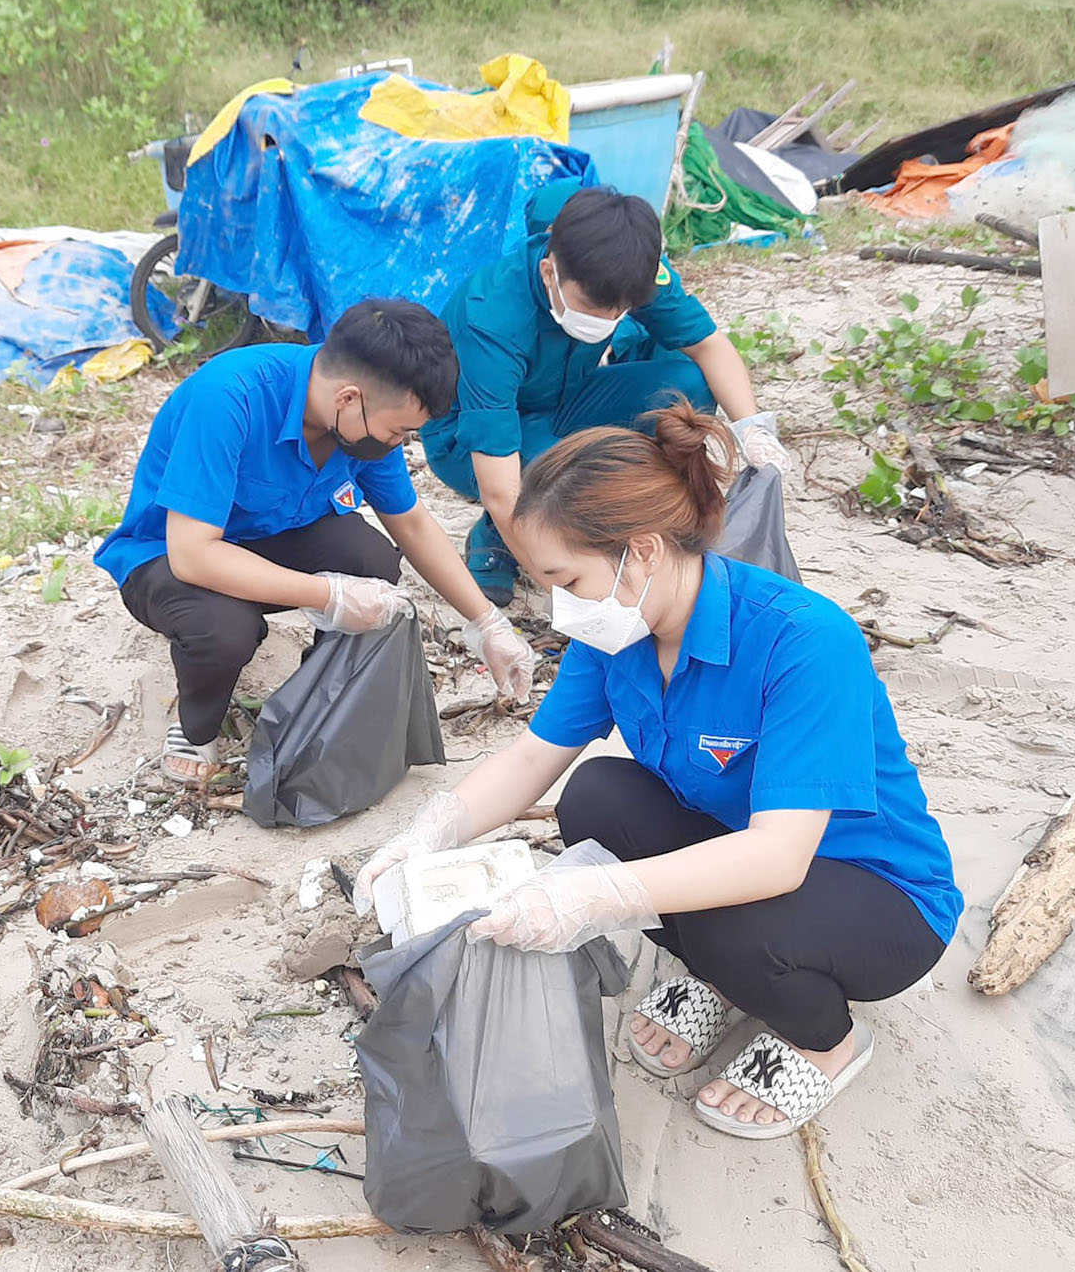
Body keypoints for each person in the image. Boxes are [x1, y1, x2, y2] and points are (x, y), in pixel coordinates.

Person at [355, 403, 961, 1138]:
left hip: (876, 893)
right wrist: (429, 835)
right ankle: (721, 978)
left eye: (567, 579)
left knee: (738, 926)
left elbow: (778, 854)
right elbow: (532, 759)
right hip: (746, 849)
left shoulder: (803, 639)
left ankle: (826, 1043)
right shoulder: (618, 632)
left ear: (641, 551)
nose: (561, 606)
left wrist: (593, 895)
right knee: (598, 796)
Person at [94, 299, 538, 783]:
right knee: (225, 628)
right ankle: (195, 726)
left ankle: (316, 699)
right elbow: (193, 554)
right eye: (399, 432)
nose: (400, 444)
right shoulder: (231, 397)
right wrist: (329, 595)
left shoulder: (366, 423)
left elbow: (409, 522)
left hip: (275, 536)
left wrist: (486, 623)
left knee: (370, 561)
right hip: (169, 556)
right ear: (348, 398)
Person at [419, 180, 789, 604]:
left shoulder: (627, 269)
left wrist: (753, 430)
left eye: (620, 310)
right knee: (569, 483)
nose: (609, 318)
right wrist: (565, 593)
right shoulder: (492, 318)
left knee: (688, 388)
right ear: (549, 273)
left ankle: (571, 524)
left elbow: (709, 346)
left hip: (565, 401)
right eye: (594, 308)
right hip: (471, 442)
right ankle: (505, 535)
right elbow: (500, 486)